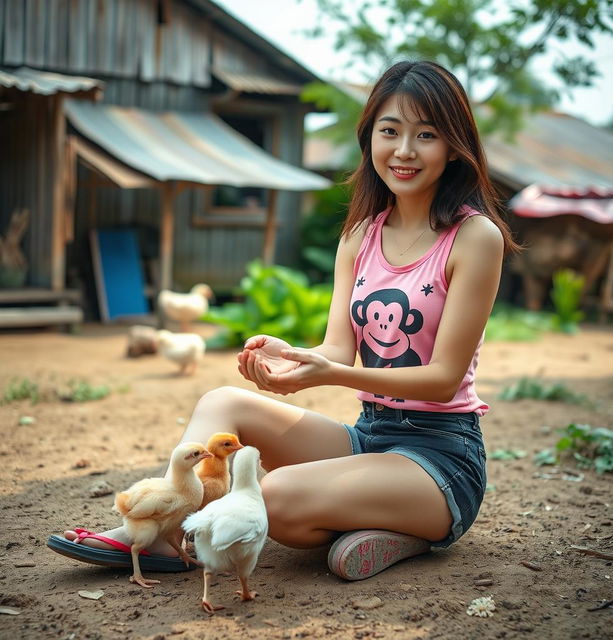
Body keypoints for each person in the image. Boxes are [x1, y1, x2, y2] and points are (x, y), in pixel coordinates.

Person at [48, 60, 517, 581]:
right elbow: (338, 349)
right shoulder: (360, 235)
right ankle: (164, 534)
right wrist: (293, 357)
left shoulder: (475, 238)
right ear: (370, 139)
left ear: (453, 146)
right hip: (371, 434)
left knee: (276, 497)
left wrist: (332, 374)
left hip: (440, 455)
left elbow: (443, 377)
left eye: (425, 135)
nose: (404, 151)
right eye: (390, 131)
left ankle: (407, 528)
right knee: (221, 401)